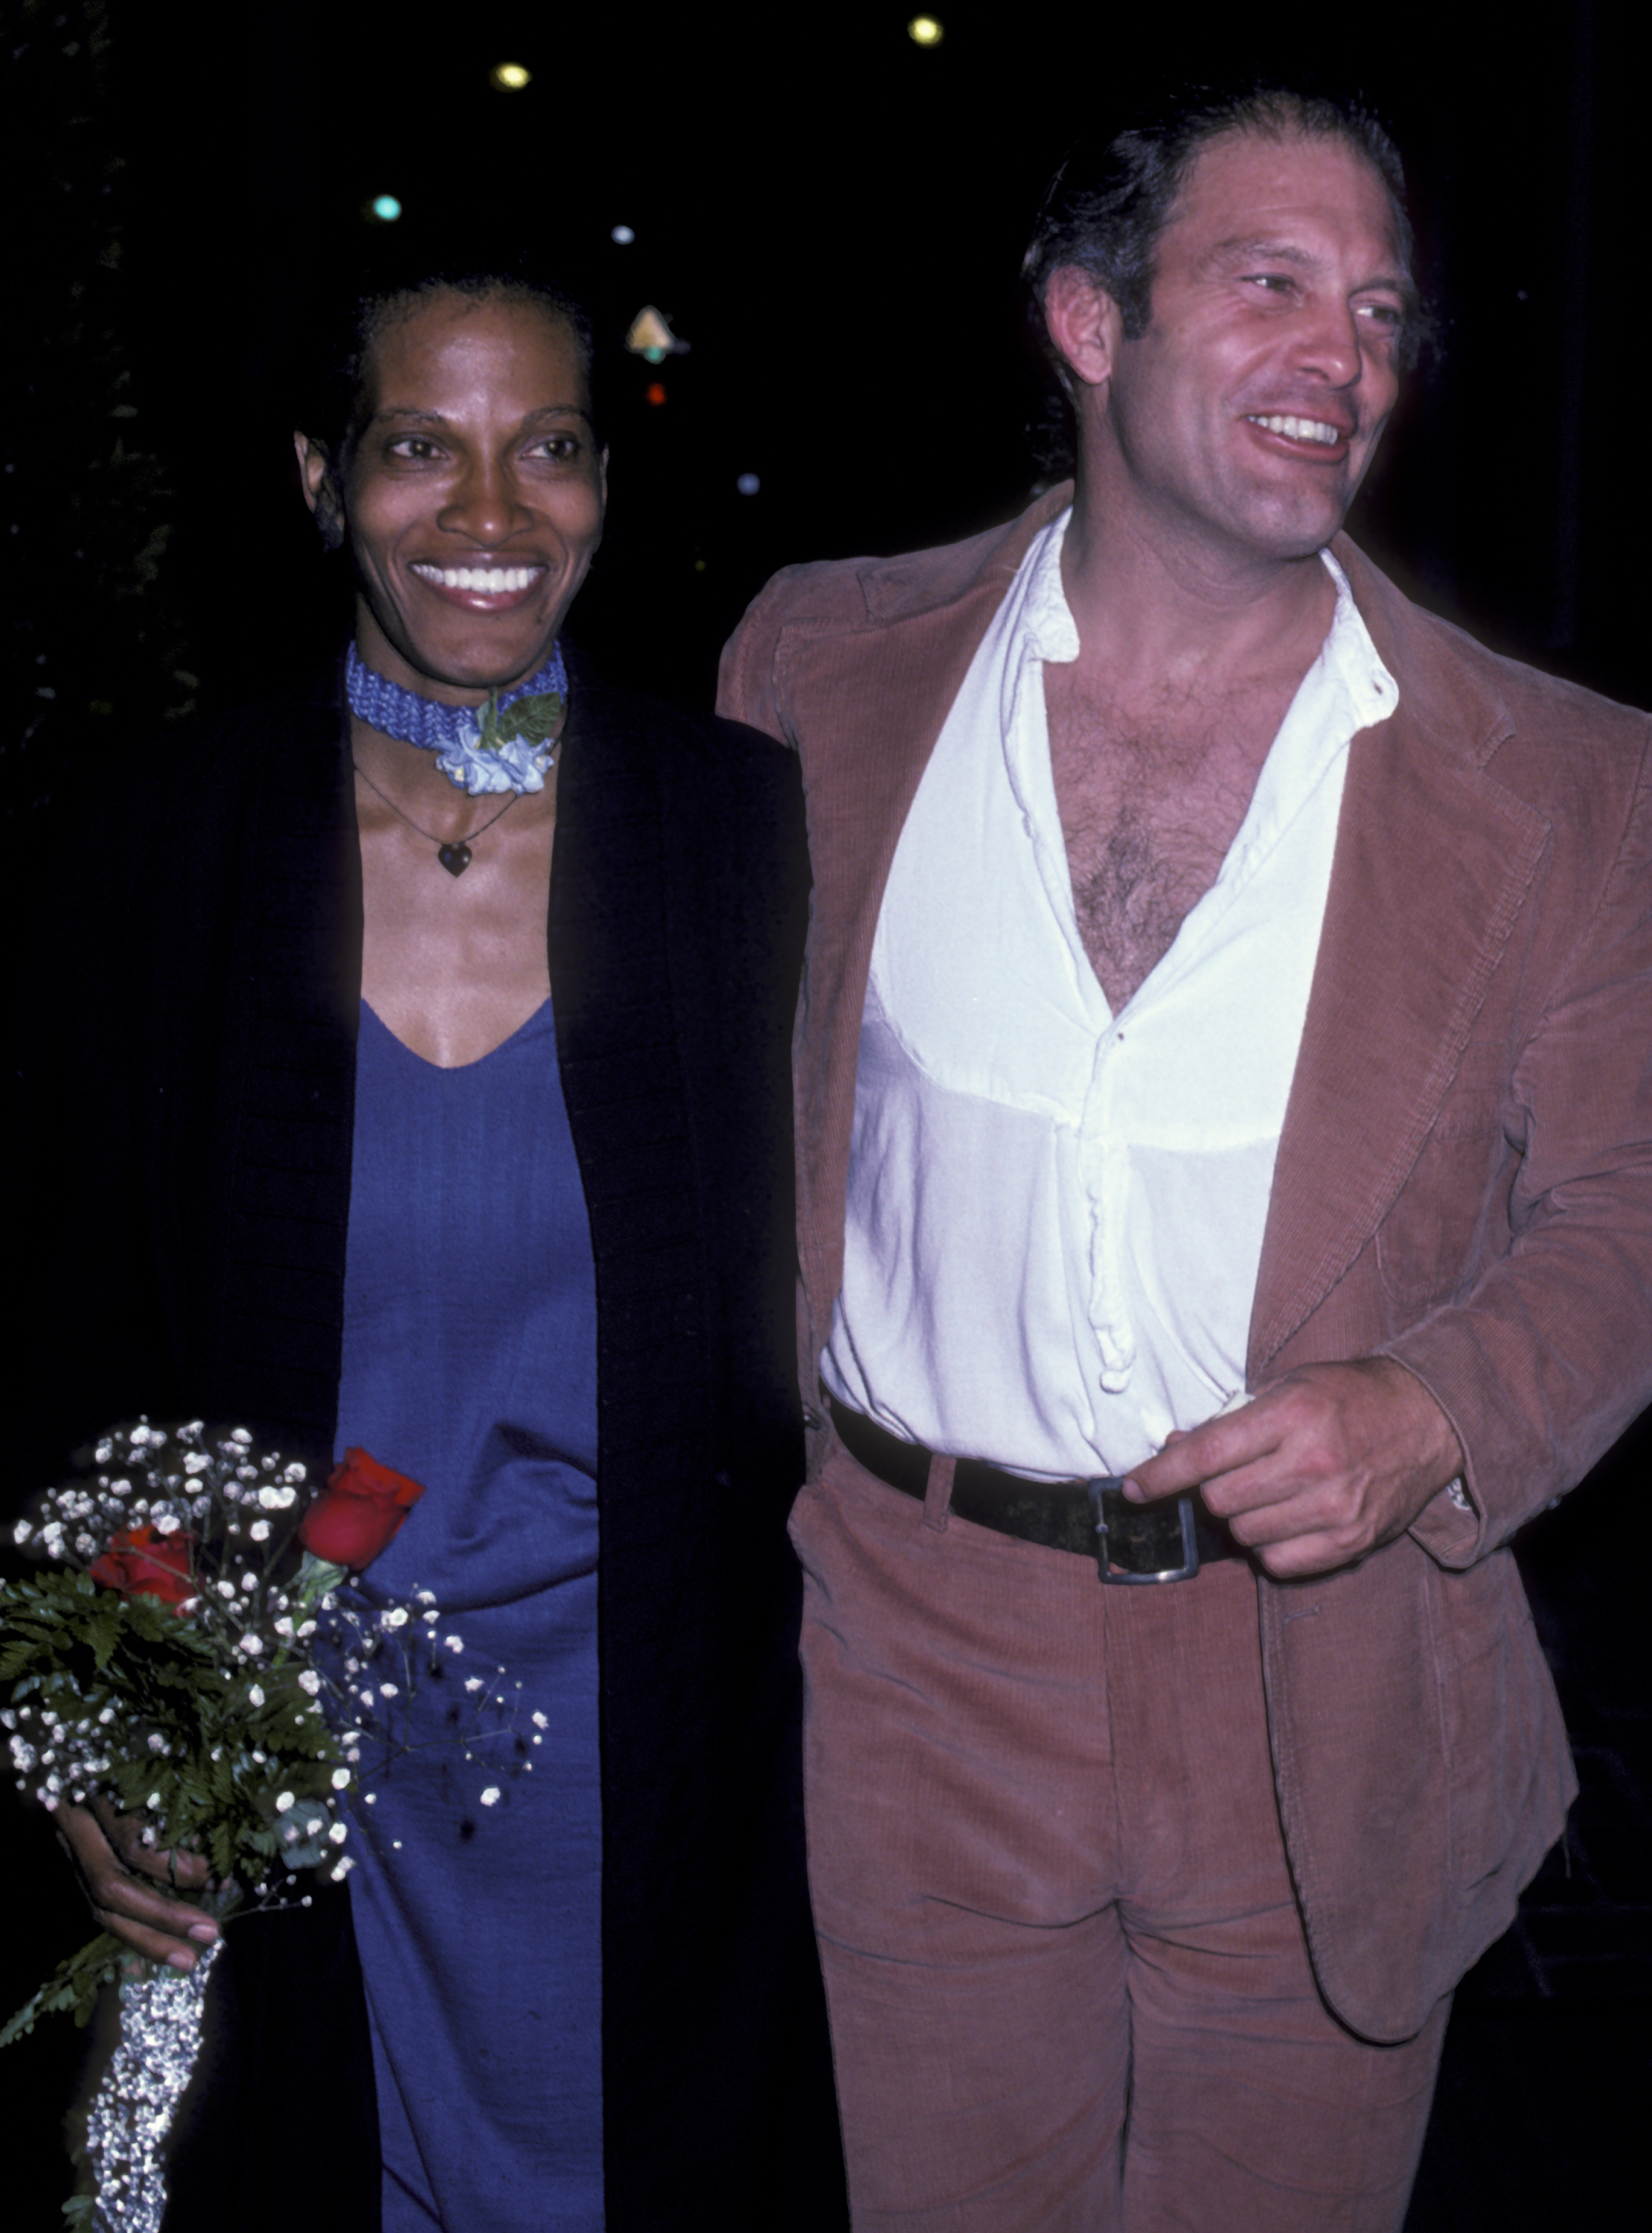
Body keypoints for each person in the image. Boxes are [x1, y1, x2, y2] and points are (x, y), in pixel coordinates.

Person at [717, 79, 1652, 2233]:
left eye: (1381, 312)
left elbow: (1622, 1219)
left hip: (1315, 1696)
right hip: (912, 1648)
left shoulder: (1564, 785)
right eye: (1271, 285)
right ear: (1084, 321)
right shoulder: (816, 670)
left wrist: (1428, 1406)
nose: (1343, 357)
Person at [13, 263, 846, 2232]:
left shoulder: (744, 836)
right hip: (280, 1764)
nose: (489, 517)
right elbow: (69, 1331)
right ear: (321, 476)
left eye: (546, 448)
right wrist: (95, 1702)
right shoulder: (168, 844)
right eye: (418, 449)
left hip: (649, 1746)